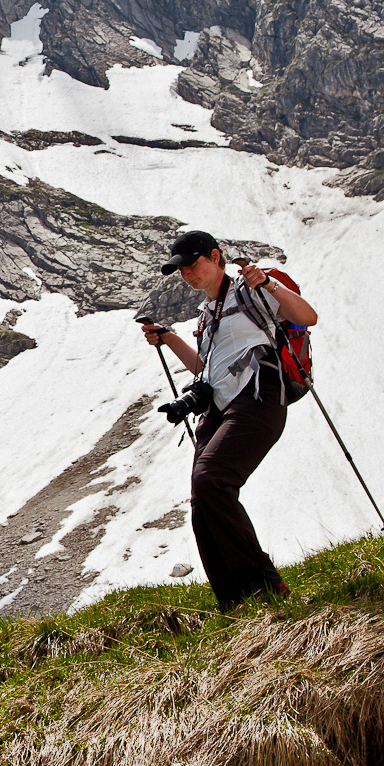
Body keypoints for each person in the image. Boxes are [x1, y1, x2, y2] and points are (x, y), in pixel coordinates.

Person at [139, 230, 319, 612]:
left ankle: (266, 585)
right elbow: (206, 370)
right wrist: (169, 338)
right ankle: (233, 602)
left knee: (211, 480)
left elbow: (307, 317)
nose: (186, 272)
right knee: (202, 504)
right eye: (180, 269)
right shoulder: (206, 316)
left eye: (192, 263)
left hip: (259, 396)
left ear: (215, 257)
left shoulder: (250, 292)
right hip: (219, 408)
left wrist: (267, 282)